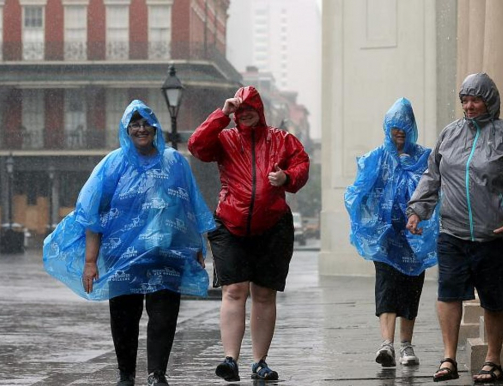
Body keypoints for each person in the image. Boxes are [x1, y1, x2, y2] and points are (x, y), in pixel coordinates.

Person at [43, 100, 215, 386]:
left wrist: (196, 246)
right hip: (121, 256)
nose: (141, 129)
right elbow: (92, 213)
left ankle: (157, 373)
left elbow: (190, 207)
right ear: (126, 130)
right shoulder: (112, 164)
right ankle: (126, 375)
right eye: (134, 124)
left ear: (155, 126)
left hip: (166, 253)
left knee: (163, 315)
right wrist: (89, 262)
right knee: (124, 317)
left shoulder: (175, 162)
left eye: (146, 123)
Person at [406, 73, 503, 383]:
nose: (468, 105)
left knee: (493, 299)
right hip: (452, 233)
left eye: (475, 99)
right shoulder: (449, 134)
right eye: (464, 100)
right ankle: (448, 358)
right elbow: (432, 176)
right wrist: (417, 210)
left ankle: (493, 361)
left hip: (493, 234)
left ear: (489, 101)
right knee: (448, 294)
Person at [188, 86, 310, 382]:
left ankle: (259, 361)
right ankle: (230, 359)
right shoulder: (226, 139)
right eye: (240, 110)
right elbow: (197, 145)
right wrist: (222, 113)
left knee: (264, 294)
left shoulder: (281, 140)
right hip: (231, 224)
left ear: (260, 109)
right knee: (233, 290)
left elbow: (302, 163)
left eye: (249, 108)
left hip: (273, 226)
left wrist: (287, 177)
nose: (245, 114)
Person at [344, 98, 439, 368]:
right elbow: (359, 192)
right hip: (385, 236)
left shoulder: (424, 158)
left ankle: (407, 345)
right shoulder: (376, 158)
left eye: (404, 126)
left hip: (414, 235)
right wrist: (366, 221)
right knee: (386, 286)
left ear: (412, 128)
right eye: (394, 127)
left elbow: (434, 190)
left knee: (411, 287)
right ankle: (387, 344)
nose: (399, 132)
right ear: (387, 128)